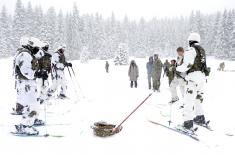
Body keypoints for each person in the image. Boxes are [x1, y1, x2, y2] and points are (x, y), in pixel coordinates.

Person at [14, 37, 47, 135]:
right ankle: (25, 126)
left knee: (32, 104)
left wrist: (39, 72)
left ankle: (31, 120)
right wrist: (38, 74)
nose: (36, 49)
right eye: (35, 47)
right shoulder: (25, 54)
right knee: (33, 105)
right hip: (26, 84)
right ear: (29, 45)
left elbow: (30, 69)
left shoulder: (26, 54)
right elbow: (26, 71)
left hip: (27, 83)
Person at [176, 33, 210, 130]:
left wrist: (177, 68)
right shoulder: (202, 50)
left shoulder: (191, 50)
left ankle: (187, 123)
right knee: (197, 99)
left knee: (188, 100)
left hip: (193, 78)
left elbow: (187, 65)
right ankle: (200, 117)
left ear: (190, 41)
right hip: (202, 78)